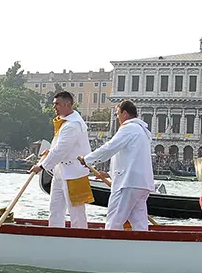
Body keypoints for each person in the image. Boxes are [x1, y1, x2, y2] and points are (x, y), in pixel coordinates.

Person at [84, 100, 154, 231]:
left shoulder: (128, 128)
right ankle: (142, 247)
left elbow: (109, 148)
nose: (117, 117)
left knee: (114, 220)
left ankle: (109, 247)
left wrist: (87, 159)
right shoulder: (142, 131)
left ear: (125, 114)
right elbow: (132, 159)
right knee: (140, 224)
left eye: (117, 114)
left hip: (127, 184)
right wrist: (109, 174)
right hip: (142, 184)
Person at [30, 91, 93, 229]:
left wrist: (41, 166)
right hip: (61, 171)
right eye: (54, 104)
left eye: (57, 104)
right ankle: (55, 231)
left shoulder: (73, 125)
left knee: (76, 211)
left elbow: (62, 150)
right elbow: (59, 146)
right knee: (55, 207)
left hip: (74, 173)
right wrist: (49, 151)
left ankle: (80, 236)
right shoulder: (65, 123)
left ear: (68, 105)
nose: (55, 107)